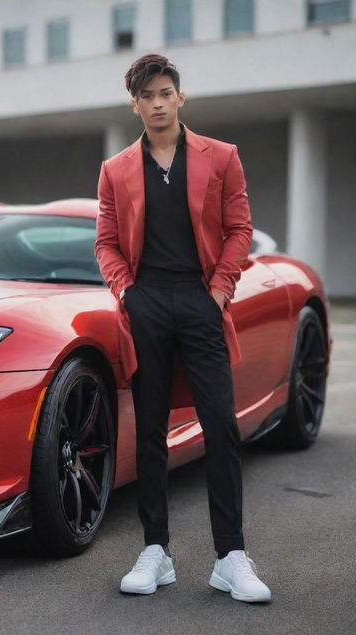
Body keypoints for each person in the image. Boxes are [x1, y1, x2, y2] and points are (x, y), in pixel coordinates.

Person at [94, 53, 272, 603]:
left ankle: (231, 556)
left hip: (202, 303)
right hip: (146, 305)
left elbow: (240, 229)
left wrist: (218, 290)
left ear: (180, 97)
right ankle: (156, 552)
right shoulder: (116, 169)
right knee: (149, 430)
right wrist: (127, 291)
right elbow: (105, 242)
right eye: (146, 96)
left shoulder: (221, 157)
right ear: (135, 105)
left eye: (165, 93)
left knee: (221, 424)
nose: (157, 104)